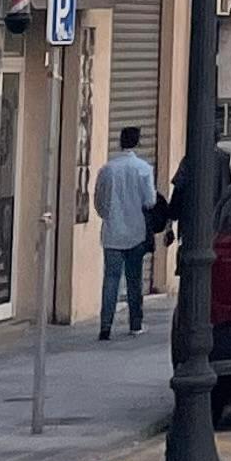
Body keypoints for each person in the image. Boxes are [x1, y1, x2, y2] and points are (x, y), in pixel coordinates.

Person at [93, 124, 157, 339]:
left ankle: (105, 326)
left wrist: (108, 215)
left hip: (112, 232)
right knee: (134, 279)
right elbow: (150, 201)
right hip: (135, 232)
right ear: (137, 143)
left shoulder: (107, 169)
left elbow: (99, 201)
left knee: (110, 279)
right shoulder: (143, 169)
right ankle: (135, 324)